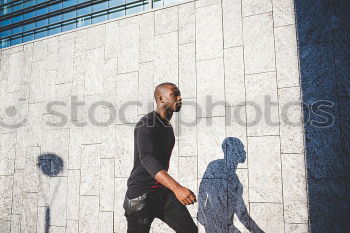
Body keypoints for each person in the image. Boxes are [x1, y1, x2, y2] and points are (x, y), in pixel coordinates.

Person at [123, 82, 198, 233]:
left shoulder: (167, 127)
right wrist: (177, 189)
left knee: (189, 230)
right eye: (174, 94)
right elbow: (147, 159)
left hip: (161, 193)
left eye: (180, 94)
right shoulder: (147, 123)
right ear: (161, 98)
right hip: (140, 196)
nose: (180, 98)